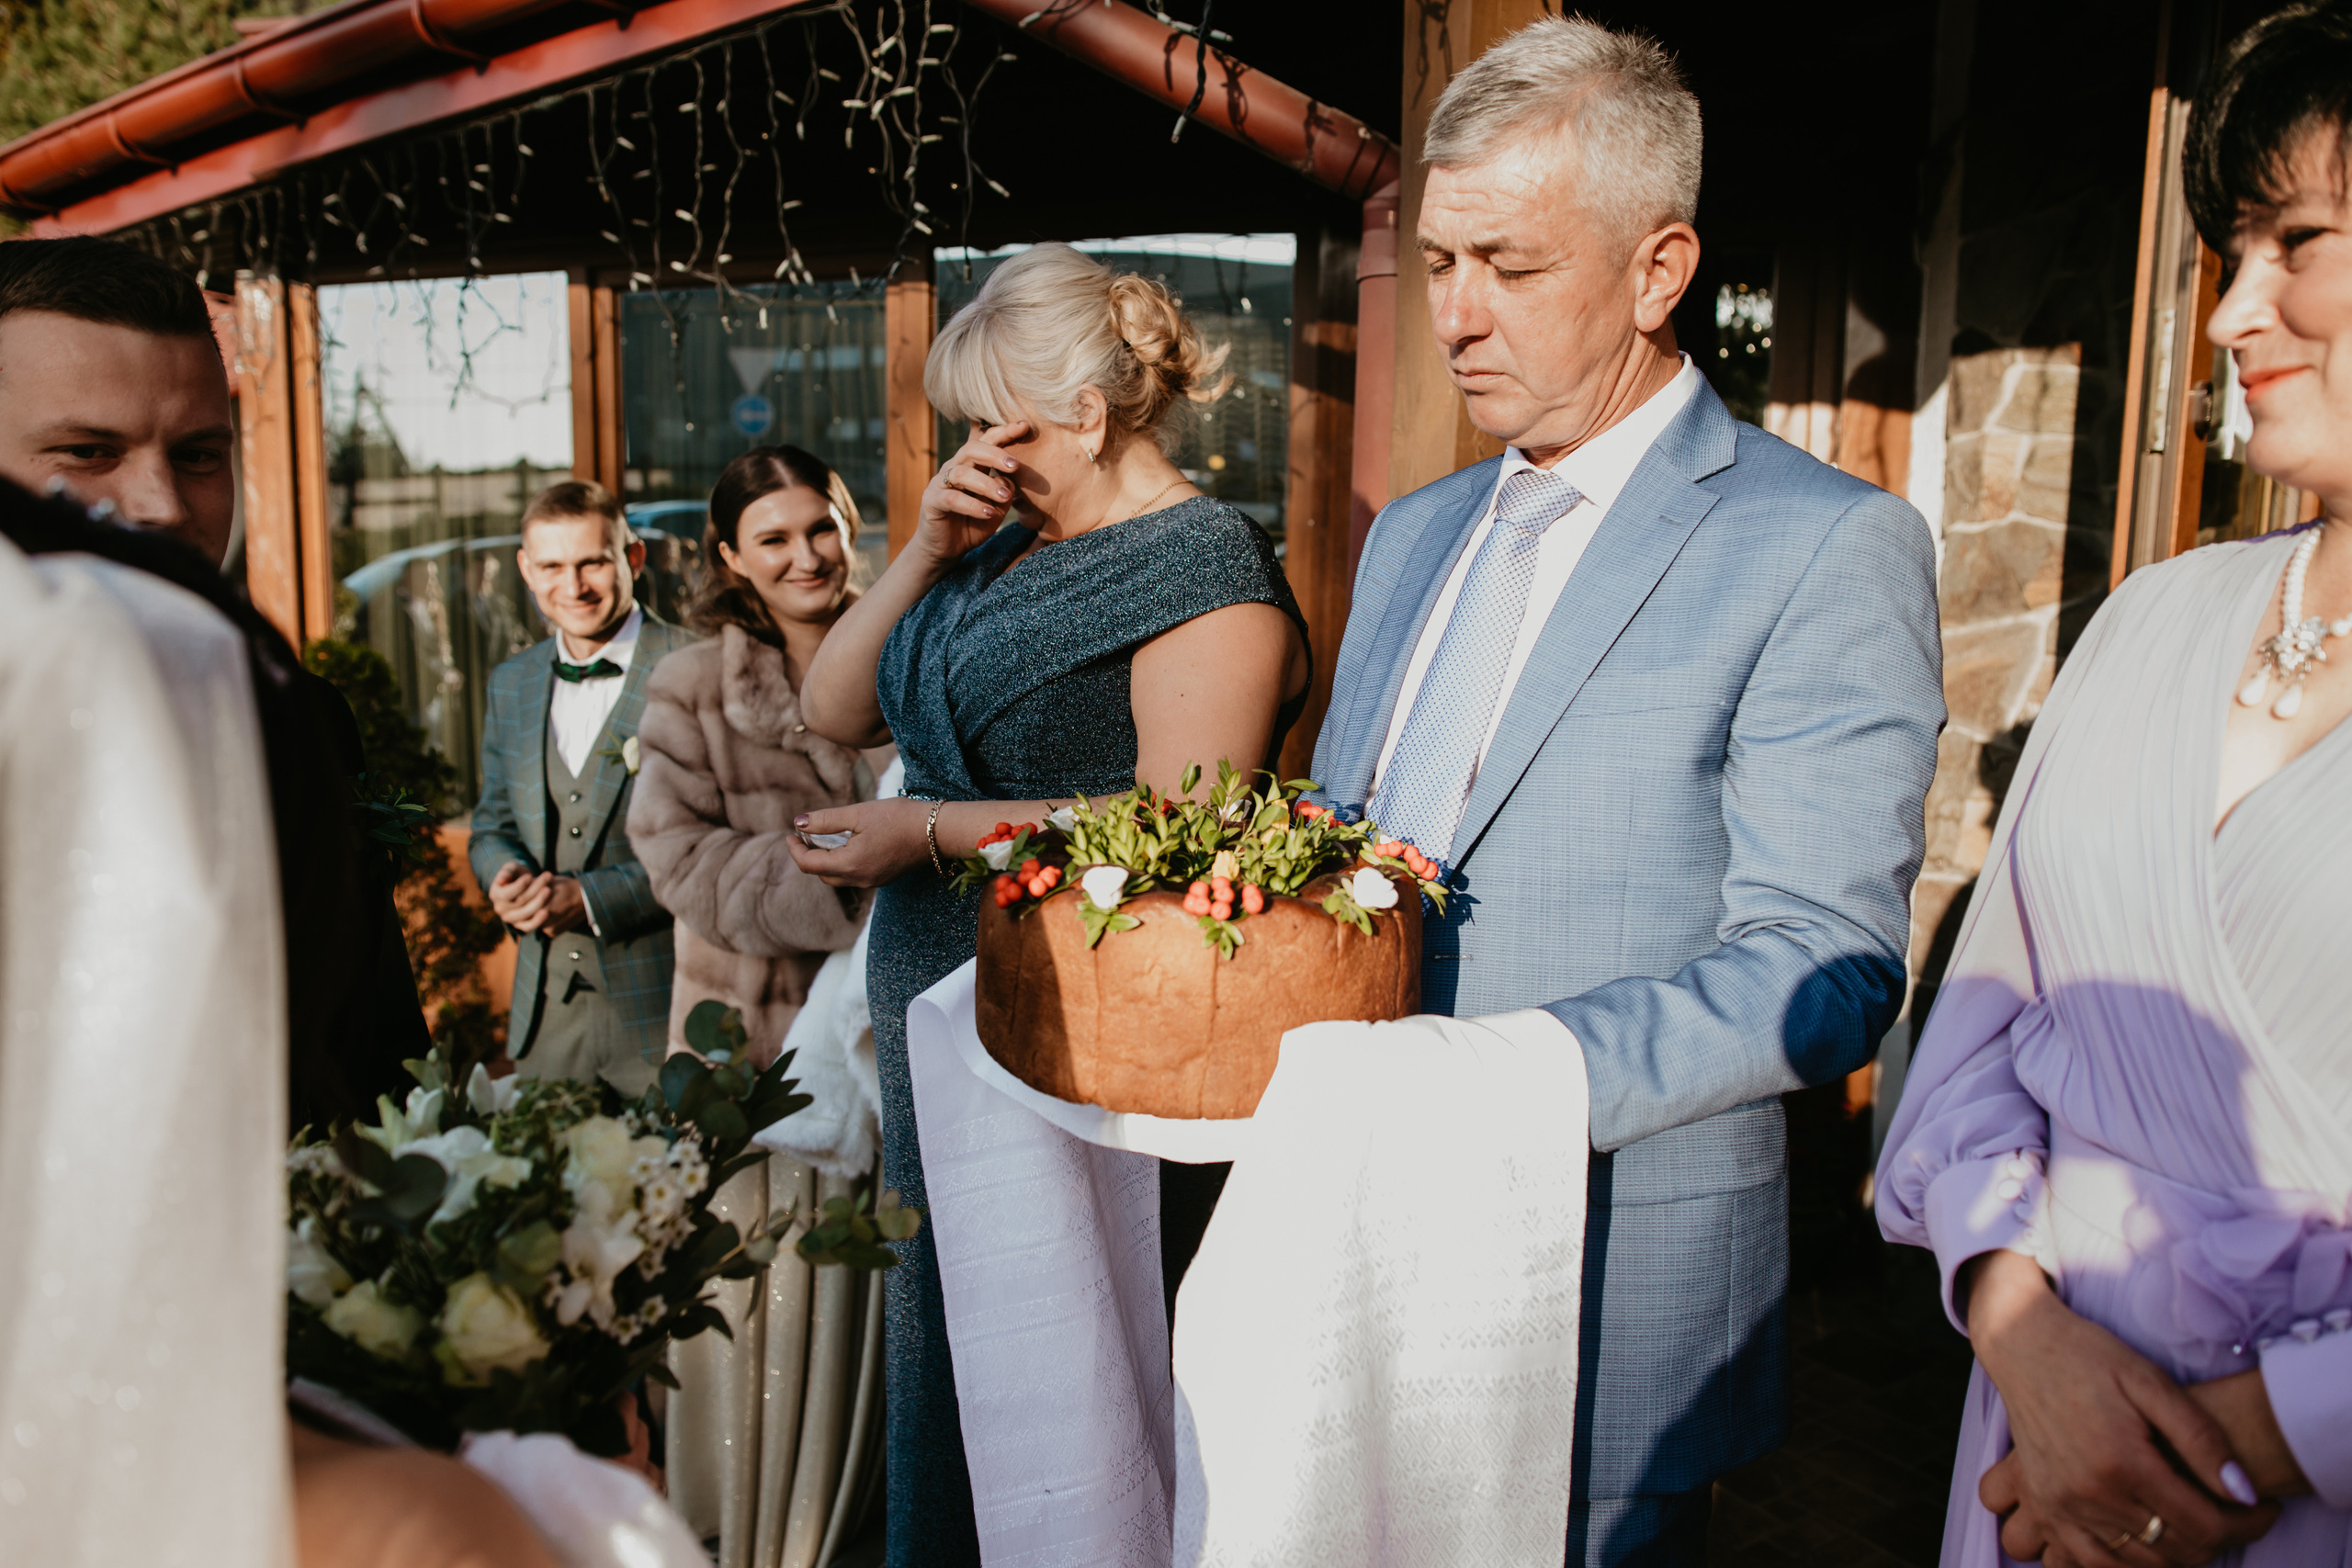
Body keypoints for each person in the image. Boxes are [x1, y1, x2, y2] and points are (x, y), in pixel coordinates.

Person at [1306, 19, 1943, 1562]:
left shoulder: (1818, 545)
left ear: (1661, 272)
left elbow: (1827, 961)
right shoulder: (1412, 533)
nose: (1456, 316)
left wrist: (1498, 1080)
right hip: (1339, 1238)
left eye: (1510, 268)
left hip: (1596, 1267)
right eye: (1441, 262)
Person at [1876, 6, 2352, 1564]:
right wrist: (2024, 1331)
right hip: (2037, 1429)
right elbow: (1982, 1030)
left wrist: (2230, 1459)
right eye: (2232, 249)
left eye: (2301, 241)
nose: (2232, 313)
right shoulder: (2152, 619)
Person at [788, 242, 1312, 1568]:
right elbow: (831, 707)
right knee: (945, 1353)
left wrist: (926, 829)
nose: (978, 449)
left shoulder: (1205, 562)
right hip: (931, 1005)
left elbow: (1177, 830)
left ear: (1084, 412)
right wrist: (918, 550)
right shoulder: (992, 548)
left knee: (1052, 1366)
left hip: (1074, 1023)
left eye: (991, 420)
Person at [0, 233, 429, 1131]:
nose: (160, 503)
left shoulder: (296, 713)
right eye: (88, 452)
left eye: (198, 454)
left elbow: (371, 1050)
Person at [627, 446, 887, 1562]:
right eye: (772, 538)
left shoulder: (905, 645)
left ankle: (848, 1524)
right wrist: (836, 879)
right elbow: (673, 856)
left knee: (861, 1304)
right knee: (758, 1307)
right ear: (730, 556)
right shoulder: (692, 681)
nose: (805, 557)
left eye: (820, 528)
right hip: (748, 1047)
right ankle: (741, 1536)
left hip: (880, 1041)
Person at [470, 480, 689, 1098]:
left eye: (593, 561)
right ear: (525, 570)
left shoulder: (697, 666)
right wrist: (503, 876)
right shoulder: (509, 682)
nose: (574, 586)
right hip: (544, 1024)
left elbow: (721, 844)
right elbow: (491, 823)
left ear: (633, 558)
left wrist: (590, 898)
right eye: (552, 567)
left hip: (663, 1018)